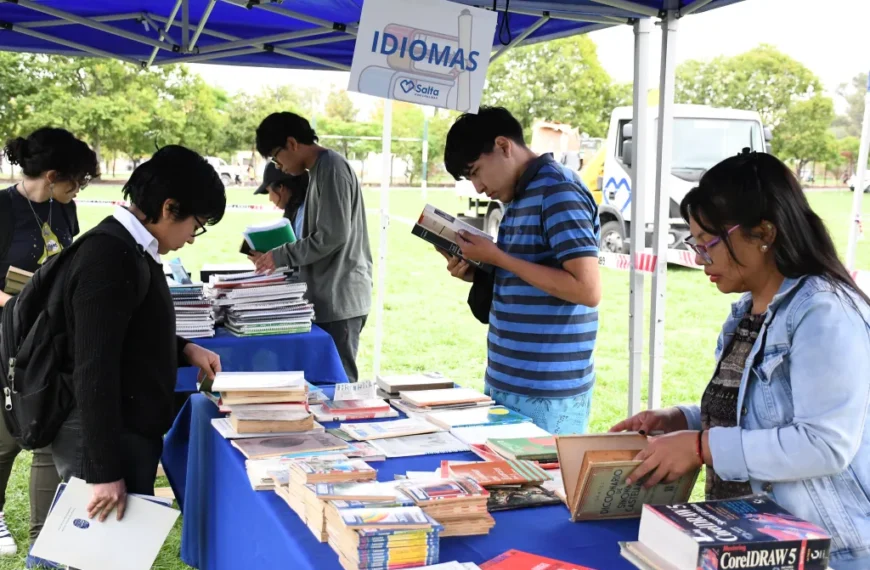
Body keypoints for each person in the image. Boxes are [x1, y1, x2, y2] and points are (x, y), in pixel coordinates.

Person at [610, 150, 870, 570]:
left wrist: (700, 446)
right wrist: (683, 420)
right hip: (750, 544)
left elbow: (824, 444)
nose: (698, 259)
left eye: (707, 245)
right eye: (694, 245)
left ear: (763, 233)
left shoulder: (825, 312)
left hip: (825, 553)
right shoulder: (748, 313)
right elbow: (757, 416)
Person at [50, 145, 226, 525]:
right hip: (106, 434)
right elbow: (93, 366)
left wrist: (185, 349)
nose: (193, 237)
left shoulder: (136, 247)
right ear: (169, 208)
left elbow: (127, 332)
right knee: (99, 555)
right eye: (196, 225)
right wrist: (103, 471)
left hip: (127, 429)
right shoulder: (110, 256)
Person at [441, 107, 602, 435]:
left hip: (547, 389)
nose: (478, 187)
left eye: (476, 172)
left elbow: (587, 290)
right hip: (509, 379)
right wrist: (481, 272)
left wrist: (499, 258)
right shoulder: (519, 196)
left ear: (503, 146)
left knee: (545, 486)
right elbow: (531, 272)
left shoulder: (558, 191)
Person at [0, 127, 98, 555]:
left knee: (46, 428)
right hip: (7, 339)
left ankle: (46, 543)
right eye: (75, 180)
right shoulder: (4, 209)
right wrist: (15, 300)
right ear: (54, 174)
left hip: (51, 341)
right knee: (3, 438)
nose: (77, 190)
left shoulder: (66, 210)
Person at [251, 112, 373, 383]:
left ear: (292, 143)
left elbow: (331, 237)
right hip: (326, 296)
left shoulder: (331, 168)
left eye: (276, 156)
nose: (279, 167)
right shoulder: (319, 171)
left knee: (338, 386)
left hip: (339, 298)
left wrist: (281, 255)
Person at [252, 162, 309, 235]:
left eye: (269, 192)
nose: (270, 199)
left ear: (280, 188)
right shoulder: (301, 209)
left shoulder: (302, 215)